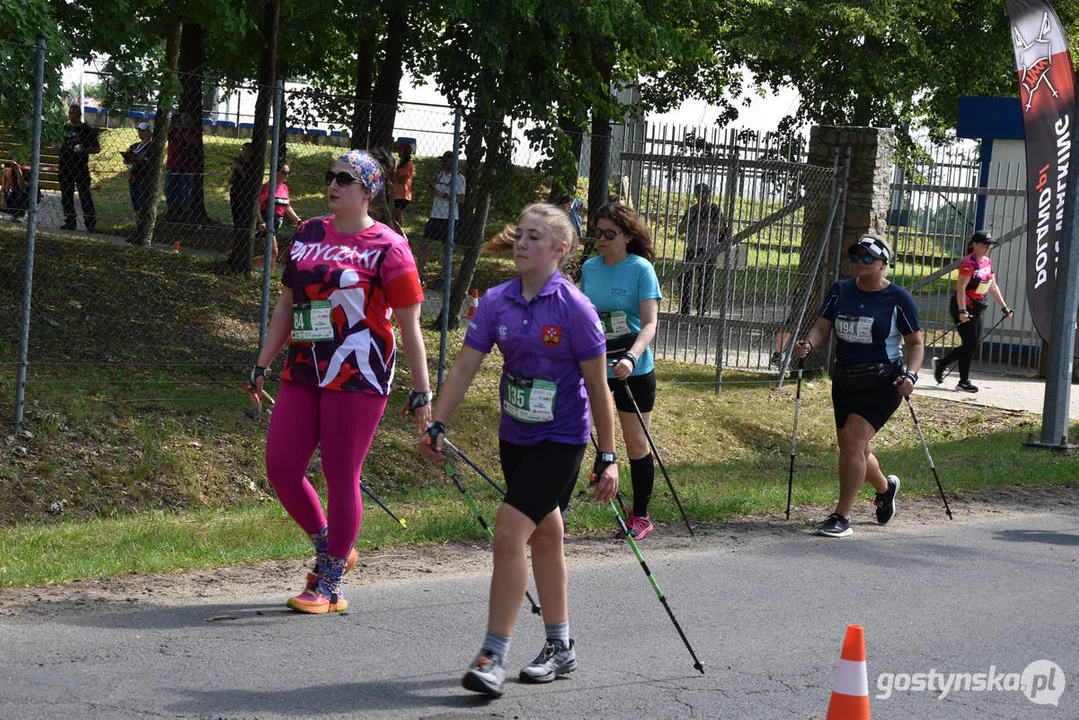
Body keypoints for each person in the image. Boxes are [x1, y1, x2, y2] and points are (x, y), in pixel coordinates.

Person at [419, 203, 620, 698]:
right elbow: (465, 366)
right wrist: (437, 421)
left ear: (559, 250)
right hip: (516, 436)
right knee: (546, 536)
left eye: (534, 238)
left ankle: (493, 655)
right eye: (520, 236)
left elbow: (598, 388)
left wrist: (609, 456)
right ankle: (561, 646)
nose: (522, 244)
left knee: (510, 532)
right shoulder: (496, 301)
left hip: (562, 439)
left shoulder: (575, 308)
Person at [246, 149, 432, 613]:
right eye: (331, 176)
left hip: (359, 372)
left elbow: (411, 326)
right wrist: (262, 362)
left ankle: (329, 585)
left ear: (368, 191)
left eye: (345, 179)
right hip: (304, 367)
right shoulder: (308, 231)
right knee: (282, 466)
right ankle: (332, 545)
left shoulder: (389, 246)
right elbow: (287, 304)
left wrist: (422, 390)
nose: (333, 184)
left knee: (340, 474)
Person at [793, 234, 923, 539]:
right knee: (856, 448)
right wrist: (807, 346)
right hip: (846, 378)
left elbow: (916, 343)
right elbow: (821, 327)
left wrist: (911, 376)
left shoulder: (898, 299)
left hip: (884, 381)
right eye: (857, 256)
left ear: (883, 264)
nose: (861, 263)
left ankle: (841, 516)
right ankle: (885, 488)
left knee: (852, 441)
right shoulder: (841, 291)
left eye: (868, 258)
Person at [573, 201, 662, 540]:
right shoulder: (592, 268)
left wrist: (632, 358)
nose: (602, 239)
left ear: (627, 236)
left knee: (636, 442)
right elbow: (582, 314)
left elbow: (650, 324)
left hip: (631, 368)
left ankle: (641, 515)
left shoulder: (641, 269)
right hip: (595, 366)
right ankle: (559, 515)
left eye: (610, 233)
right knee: (577, 436)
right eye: (598, 233)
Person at [932, 230, 1013, 393]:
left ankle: (942, 364)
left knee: (972, 344)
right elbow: (961, 288)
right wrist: (962, 311)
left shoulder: (987, 262)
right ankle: (963, 381)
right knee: (970, 344)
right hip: (962, 306)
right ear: (974, 244)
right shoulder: (969, 263)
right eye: (984, 244)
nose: (987, 247)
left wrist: (1004, 307)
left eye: (989, 244)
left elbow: (992, 286)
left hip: (977, 306)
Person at [415, 150, 466, 284]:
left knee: (446, 248)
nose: (443, 163)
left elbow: (460, 199)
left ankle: (443, 278)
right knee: (424, 244)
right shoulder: (440, 175)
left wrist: (441, 194)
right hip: (435, 215)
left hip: (449, 217)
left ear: (453, 162)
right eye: (442, 160)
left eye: (445, 160)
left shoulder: (459, 178)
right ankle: (419, 275)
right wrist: (432, 192)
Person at [676, 183, 725, 315]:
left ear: (708, 194)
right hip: (692, 248)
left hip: (708, 250)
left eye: (704, 192)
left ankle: (701, 311)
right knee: (684, 278)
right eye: (698, 193)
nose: (701, 195)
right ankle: (684, 309)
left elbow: (721, 230)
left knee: (704, 281)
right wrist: (689, 218)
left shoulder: (714, 210)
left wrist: (708, 226)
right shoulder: (692, 210)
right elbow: (680, 230)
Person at [58, 104, 100, 233]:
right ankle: (70, 221)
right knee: (66, 195)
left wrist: (84, 150)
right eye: (70, 113)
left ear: (80, 114)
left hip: (81, 166)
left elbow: (97, 148)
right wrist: (58, 145)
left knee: (85, 195)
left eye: (74, 113)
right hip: (65, 165)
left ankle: (90, 223)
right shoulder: (64, 128)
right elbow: (54, 143)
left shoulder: (87, 130)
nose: (71, 115)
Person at [255, 162, 302, 265]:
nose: (287, 175)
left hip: (276, 221)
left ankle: (249, 266)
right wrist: (260, 222)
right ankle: (247, 266)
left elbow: (287, 206)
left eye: (288, 173)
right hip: (266, 220)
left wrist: (297, 220)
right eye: (284, 172)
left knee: (272, 254)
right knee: (273, 252)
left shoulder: (284, 188)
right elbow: (257, 205)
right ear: (275, 172)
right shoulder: (268, 187)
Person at [164, 111, 201, 218]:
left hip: (186, 166)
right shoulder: (173, 129)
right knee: (169, 188)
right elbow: (167, 134)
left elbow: (193, 142)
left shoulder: (193, 131)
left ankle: (186, 212)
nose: (184, 120)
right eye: (182, 117)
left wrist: (183, 131)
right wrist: (173, 123)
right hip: (172, 163)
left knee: (185, 190)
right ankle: (170, 210)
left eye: (186, 117)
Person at [122, 122, 154, 223]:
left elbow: (151, 160)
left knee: (141, 199)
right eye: (139, 131)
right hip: (133, 175)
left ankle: (141, 220)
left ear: (149, 132)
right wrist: (128, 158)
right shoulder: (135, 146)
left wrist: (142, 159)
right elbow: (126, 160)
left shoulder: (152, 146)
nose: (140, 133)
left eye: (143, 131)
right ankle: (137, 219)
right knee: (134, 199)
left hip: (144, 176)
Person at [391, 137, 415, 231]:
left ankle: (400, 235)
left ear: (406, 152)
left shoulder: (408, 164)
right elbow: (395, 180)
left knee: (393, 217)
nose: (398, 152)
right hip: (398, 194)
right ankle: (399, 234)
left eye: (400, 150)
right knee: (397, 217)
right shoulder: (401, 165)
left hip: (403, 195)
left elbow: (402, 179)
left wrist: (394, 174)